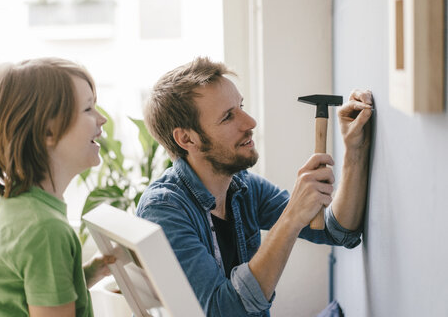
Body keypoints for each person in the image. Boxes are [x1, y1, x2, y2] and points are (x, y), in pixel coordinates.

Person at [136, 57, 373, 316]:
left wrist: (354, 150)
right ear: (187, 138)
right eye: (228, 117)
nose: (249, 122)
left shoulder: (243, 187)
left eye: (241, 106)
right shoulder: (163, 210)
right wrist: (292, 216)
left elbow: (339, 232)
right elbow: (224, 311)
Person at [0, 57, 115, 316]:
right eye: (88, 109)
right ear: (47, 132)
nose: (102, 119)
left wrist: (88, 274)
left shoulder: (19, 206)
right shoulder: (45, 230)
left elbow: (33, 297)